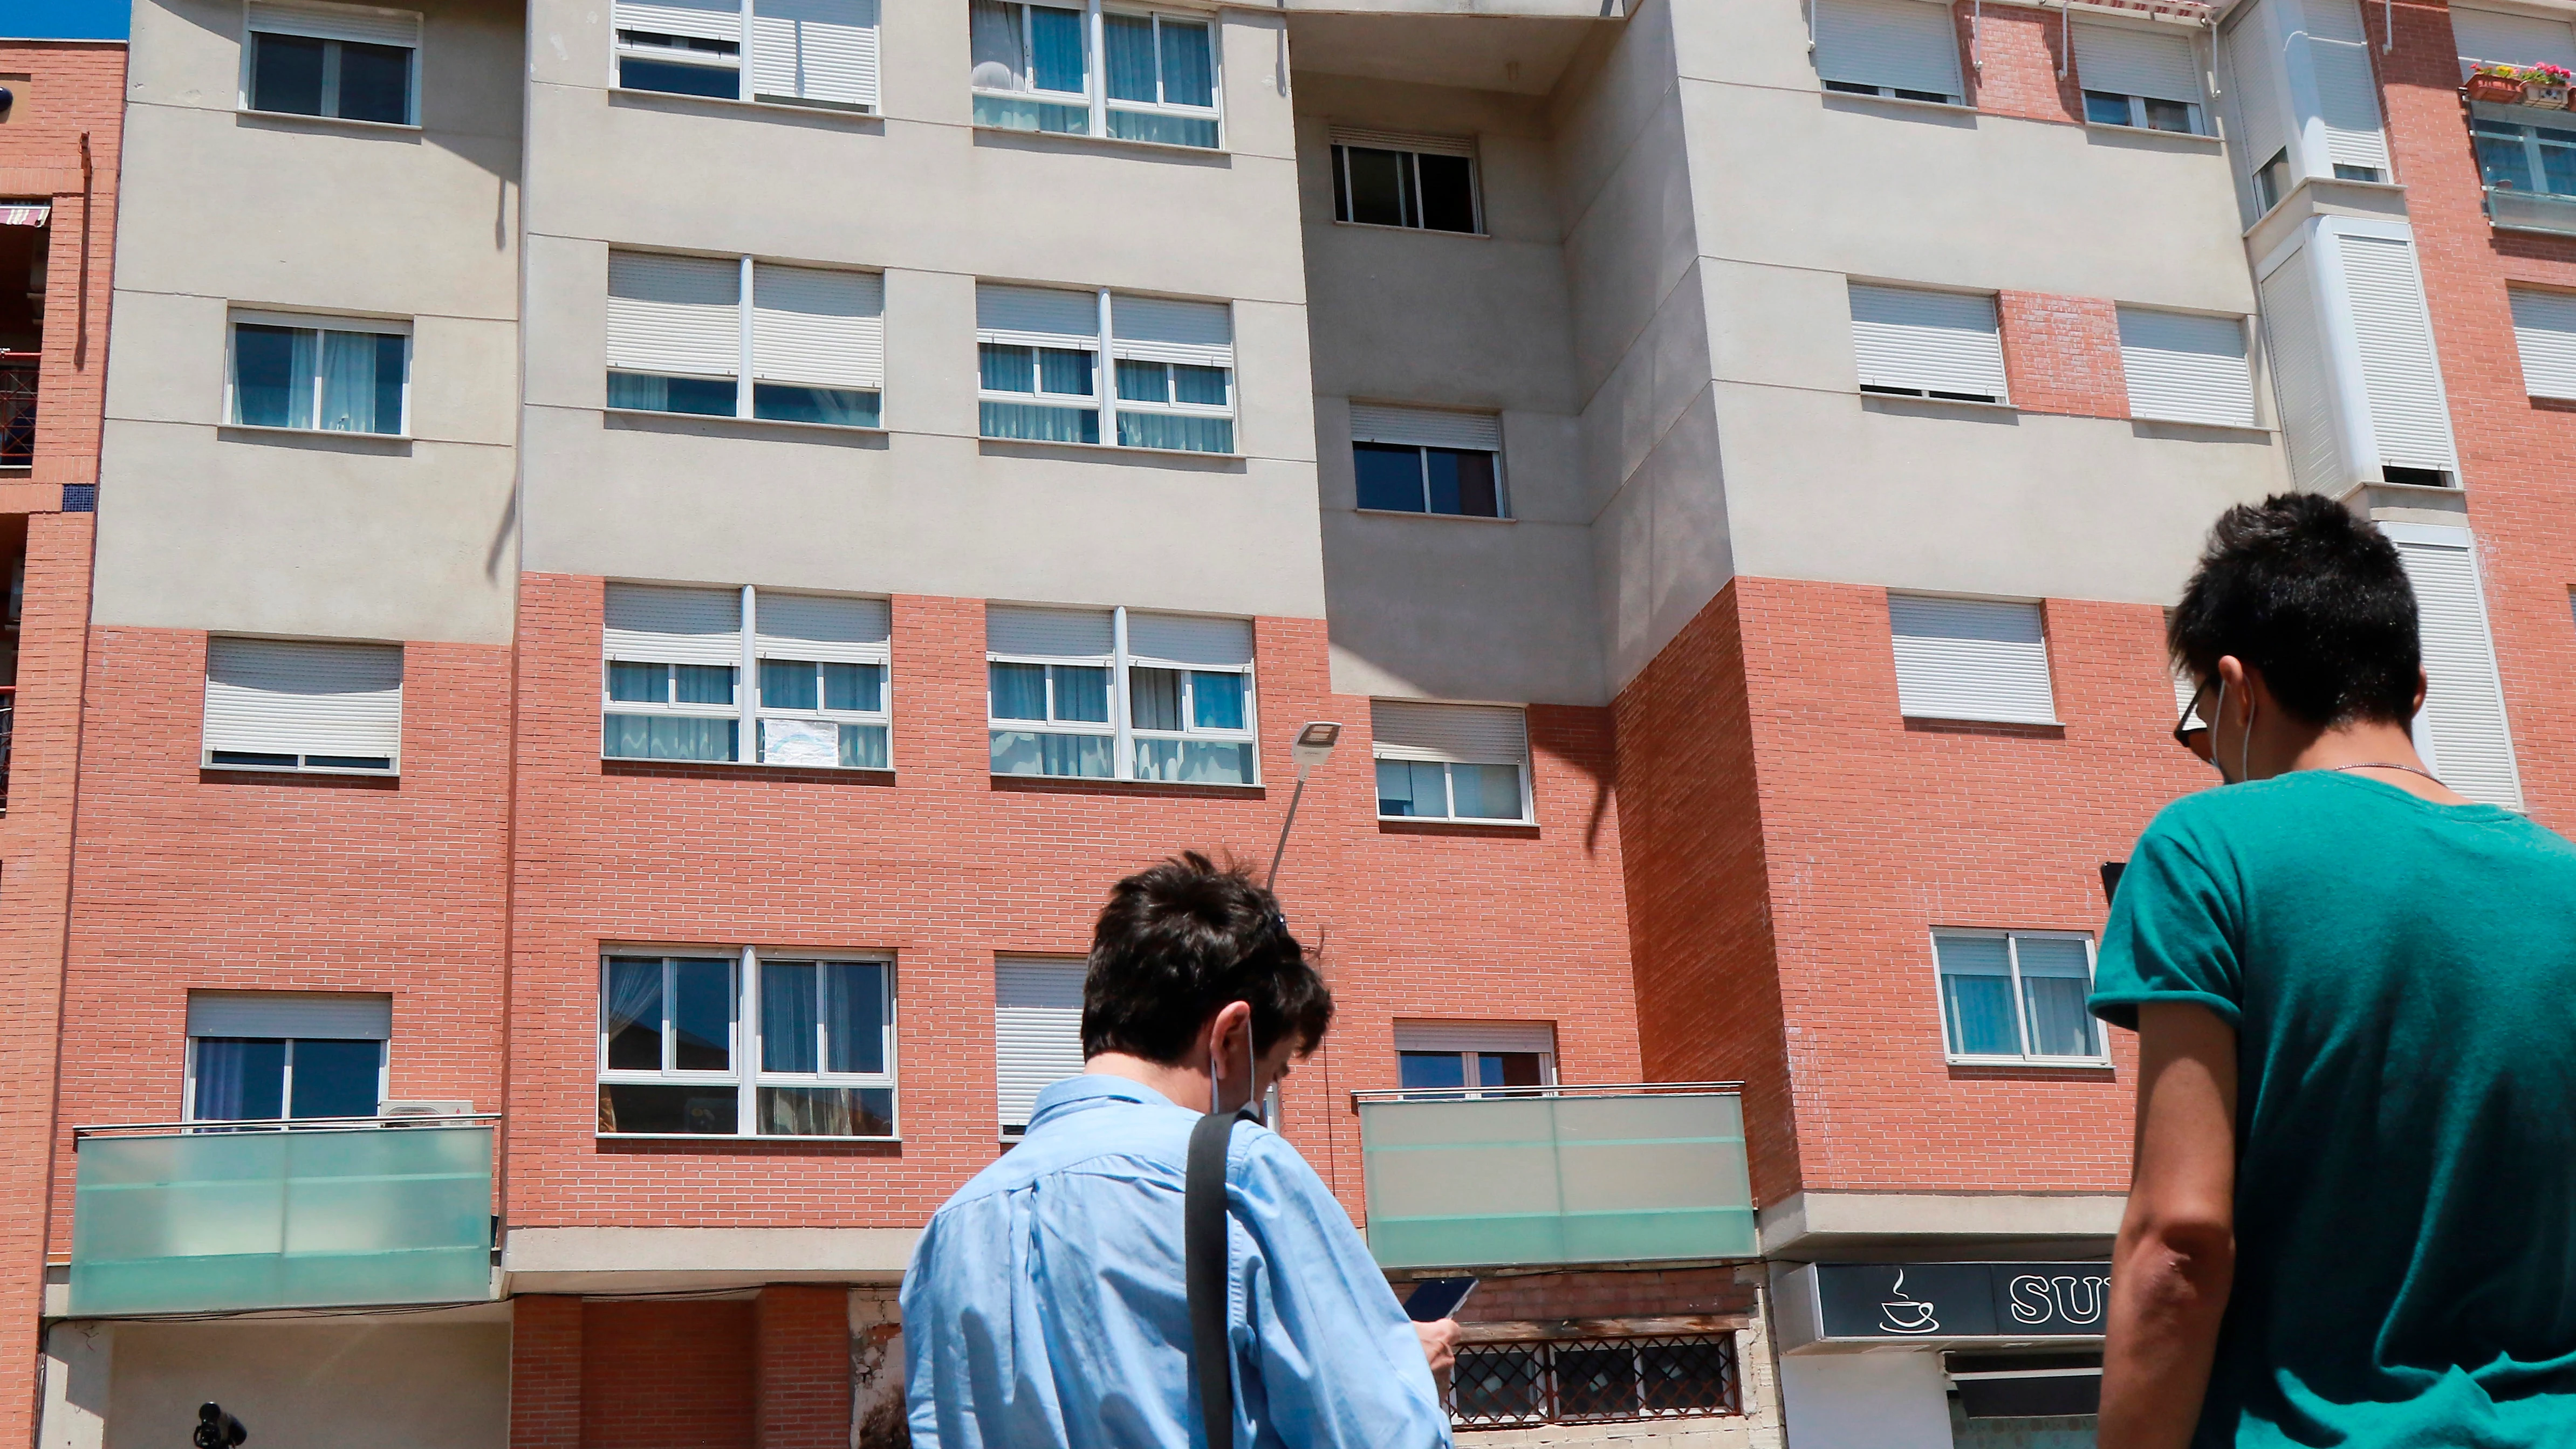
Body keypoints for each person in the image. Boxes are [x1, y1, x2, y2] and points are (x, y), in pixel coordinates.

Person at [2092, 493, 2576, 1449]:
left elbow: (2181, 1239)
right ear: (2416, 690)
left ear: (2235, 689)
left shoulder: (2207, 849)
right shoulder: (2563, 878)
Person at [902, 851, 1459, 1448]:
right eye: (1268, 1078)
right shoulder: (1241, 1171)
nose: (1259, 1102)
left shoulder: (950, 1228)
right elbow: (1377, 1436)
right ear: (1230, 1035)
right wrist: (1405, 1381)